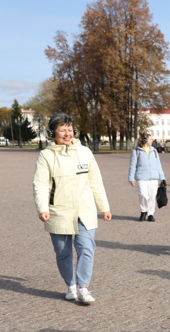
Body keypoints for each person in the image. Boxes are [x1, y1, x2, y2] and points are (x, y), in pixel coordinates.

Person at [33, 112, 112, 304]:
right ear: (53, 132)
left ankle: (84, 287)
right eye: (62, 130)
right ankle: (71, 286)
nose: (67, 134)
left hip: (85, 209)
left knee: (86, 248)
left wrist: (104, 207)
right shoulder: (46, 155)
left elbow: (96, 182)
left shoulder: (85, 152)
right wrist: (42, 208)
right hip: (58, 210)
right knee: (63, 252)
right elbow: (41, 184)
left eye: (69, 129)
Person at [128, 131, 166, 222]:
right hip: (141, 177)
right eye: (150, 139)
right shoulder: (136, 151)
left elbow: (158, 165)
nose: (152, 140)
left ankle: (150, 214)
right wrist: (131, 178)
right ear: (145, 140)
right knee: (143, 194)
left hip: (154, 177)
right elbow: (132, 165)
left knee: (152, 196)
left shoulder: (154, 151)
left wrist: (162, 177)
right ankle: (143, 211)